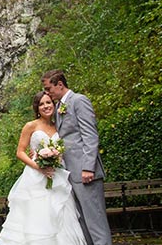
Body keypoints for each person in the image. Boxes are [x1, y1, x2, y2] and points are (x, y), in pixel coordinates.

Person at [0, 91, 87, 245]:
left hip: (56, 175)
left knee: (61, 212)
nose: (46, 106)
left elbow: (65, 149)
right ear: (37, 108)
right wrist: (39, 166)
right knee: (38, 214)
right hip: (35, 176)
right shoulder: (31, 126)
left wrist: (56, 157)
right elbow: (20, 152)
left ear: (54, 104)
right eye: (42, 104)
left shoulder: (59, 126)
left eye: (48, 102)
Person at [41, 69, 112, 245]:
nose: (47, 93)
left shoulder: (79, 101)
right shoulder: (58, 107)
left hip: (84, 171)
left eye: (49, 89)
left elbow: (90, 135)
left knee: (95, 219)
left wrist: (88, 167)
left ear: (60, 84)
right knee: (82, 220)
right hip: (69, 173)